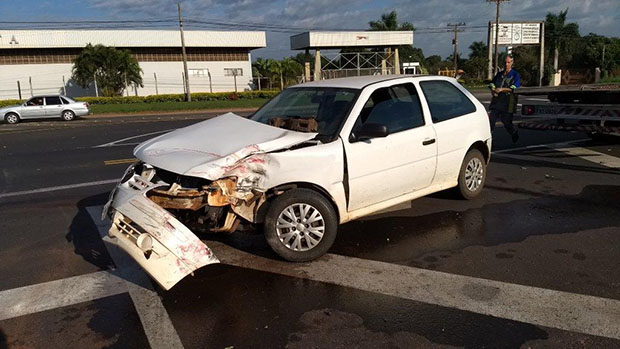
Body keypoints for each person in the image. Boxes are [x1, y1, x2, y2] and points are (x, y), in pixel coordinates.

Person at [489, 55, 521, 143]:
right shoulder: (499, 74)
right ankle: (489, 139)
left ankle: (513, 133)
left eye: (508, 62)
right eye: (505, 62)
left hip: (508, 103)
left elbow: (514, 88)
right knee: (491, 119)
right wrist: (493, 89)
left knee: (506, 122)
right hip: (496, 102)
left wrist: (502, 89)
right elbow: (492, 83)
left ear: (512, 63)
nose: (506, 64)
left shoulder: (515, 75)